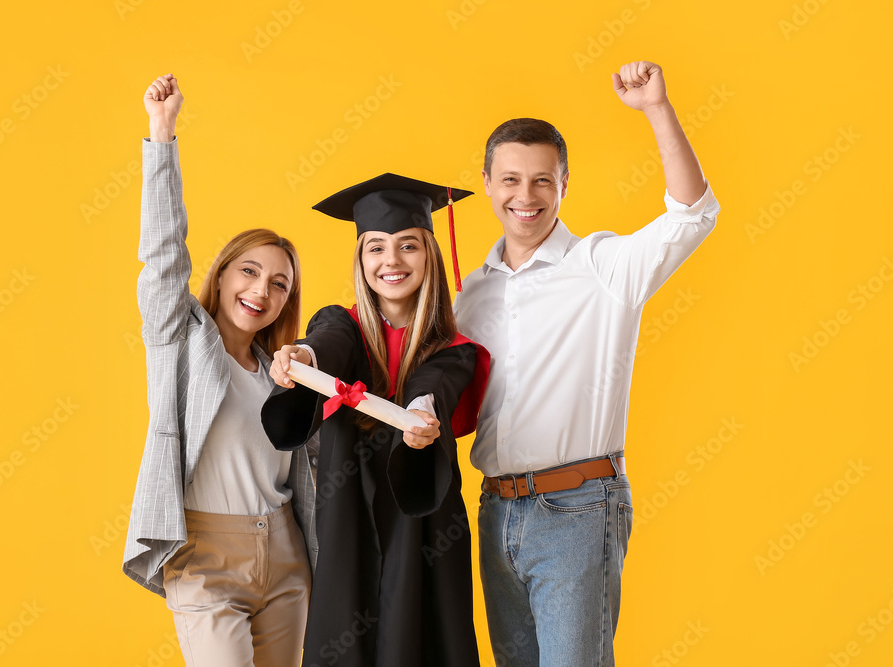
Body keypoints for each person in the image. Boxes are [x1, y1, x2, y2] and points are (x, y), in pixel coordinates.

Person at [454, 61, 722, 666]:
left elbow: (693, 214)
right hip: (496, 512)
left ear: (564, 184)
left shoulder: (602, 266)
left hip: (577, 507)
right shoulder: (471, 294)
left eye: (543, 181)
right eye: (512, 180)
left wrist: (656, 108)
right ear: (488, 183)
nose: (526, 197)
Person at [122, 73, 317, 667]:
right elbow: (162, 256)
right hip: (204, 558)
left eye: (280, 284)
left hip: (284, 553)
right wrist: (162, 137)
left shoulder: (281, 373)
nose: (263, 290)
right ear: (224, 273)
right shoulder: (179, 339)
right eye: (250, 272)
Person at [261, 173, 489, 667]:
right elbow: (326, 344)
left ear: (429, 254)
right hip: (349, 521)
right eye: (376, 248)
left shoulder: (454, 351)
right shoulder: (341, 324)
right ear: (361, 260)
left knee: (426, 639)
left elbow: (435, 382)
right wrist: (303, 356)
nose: (391, 261)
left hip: (424, 528)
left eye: (408, 245)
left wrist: (422, 413)